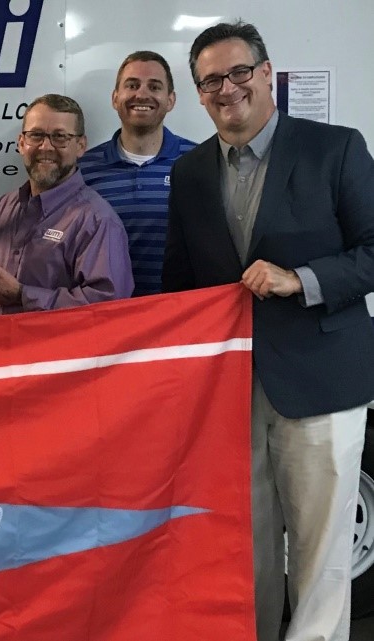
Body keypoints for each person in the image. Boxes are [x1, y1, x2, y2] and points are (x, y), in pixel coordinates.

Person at [162, 21, 374, 641]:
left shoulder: (335, 148)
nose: (226, 89)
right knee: (243, 542)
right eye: (210, 81)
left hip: (320, 381)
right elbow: (182, 280)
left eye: (238, 72)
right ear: (198, 94)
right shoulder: (191, 172)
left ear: (265, 74)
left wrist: (299, 279)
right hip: (228, 391)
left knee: (320, 548)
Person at [0, 94, 133, 315]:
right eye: (36, 135)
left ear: (81, 146)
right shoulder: (2, 208)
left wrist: (22, 295)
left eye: (60, 137)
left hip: (57, 350)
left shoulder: (97, 221)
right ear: (21, 143)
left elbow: (109, 307)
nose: (45, 147)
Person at [78, 51, 196, 296]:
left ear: (170, 100)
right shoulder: (83, 168)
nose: (142, 94)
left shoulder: (199, 162)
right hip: (107, 317)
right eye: (132, 85)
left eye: (154, 86)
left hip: (178, 318)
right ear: (115, 98)